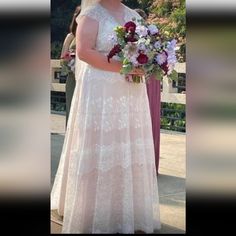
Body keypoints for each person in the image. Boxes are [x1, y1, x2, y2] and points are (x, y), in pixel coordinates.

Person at [51, 0, 161, 233]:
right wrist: (125, 67)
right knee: (100, 144)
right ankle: (94, 212)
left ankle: (127, 211)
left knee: (126, 144)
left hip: (131, 91)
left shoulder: (134, 15)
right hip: (101, 91)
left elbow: (146, 47)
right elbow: (84, 52)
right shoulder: (91, 14)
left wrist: (148, 61)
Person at [134, 8, 161, 175]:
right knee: (147, 120)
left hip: (146, 78)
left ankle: (147, 167)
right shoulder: (151, 36)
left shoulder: (146, 37)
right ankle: (148, 166)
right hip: (148, 77)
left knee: (147, 119)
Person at [60, 5, 81, 126]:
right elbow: (63, 58)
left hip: (86, 77)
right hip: (72, 78)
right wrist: (70, 60)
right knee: (71, 108)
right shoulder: (71, 36)